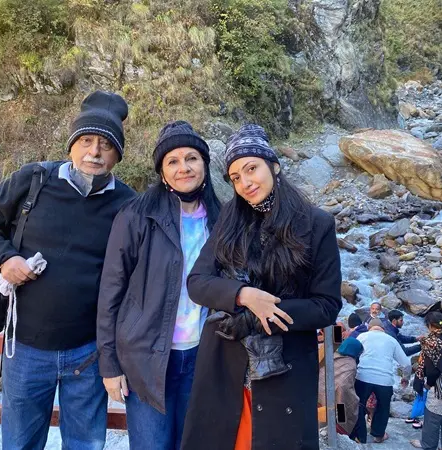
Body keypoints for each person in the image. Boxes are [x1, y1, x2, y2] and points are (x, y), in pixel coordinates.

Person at [181, 124, 342, 450]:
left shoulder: (315, 223)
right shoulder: (230, 219)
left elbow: (326, 305)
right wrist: (243, 295)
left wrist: (266, 312)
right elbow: (197, 282)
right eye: (236, 177)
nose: (245, 183)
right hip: (224, 363)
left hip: (284, 370)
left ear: (274, 166)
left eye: (251, 169)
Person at [0, 90, 135, 449]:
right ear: (71, 144)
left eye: (106, 144)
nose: (95, 152)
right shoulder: (34, 180)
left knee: (85, 445)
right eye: (86, 140)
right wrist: (6, 257)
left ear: (118, 154)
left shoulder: (128, 204)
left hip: (88, 355)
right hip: (25, 348)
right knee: (20, 444)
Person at [97, 120, 221, 450]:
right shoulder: (137, 215)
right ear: (162, 171)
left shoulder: (221, 218)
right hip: (147, 359)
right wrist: (109, 364)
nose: (184, 168)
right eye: (173, 161)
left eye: (192, 158)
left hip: (202, 356)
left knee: (191, 443)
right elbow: (111, 290)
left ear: (204, 164)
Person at [350, 318, 411, 444]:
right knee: (383, 408)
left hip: (363, 377)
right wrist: (405, 378)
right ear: (383, 329)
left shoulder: (362, 336)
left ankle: (360, 437)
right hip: (384, 380)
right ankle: (378, 435)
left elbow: (351, 354)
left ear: (369, 328)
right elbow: (406, 363)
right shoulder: (391, 340)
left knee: (359, 405)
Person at [318, 337, 364, 436]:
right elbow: (344, 386)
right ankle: (340, 433)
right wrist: (354, 399)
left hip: (319, 393)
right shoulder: (350, 364)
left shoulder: (332, 355)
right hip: (338, 397)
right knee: (349, 407)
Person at [410, 312, 442, 450]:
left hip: (439, 385)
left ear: (429, 325)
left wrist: (429, 384)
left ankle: (428, 444)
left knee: (433, 415)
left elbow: (434, 369)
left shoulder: (431, 341)